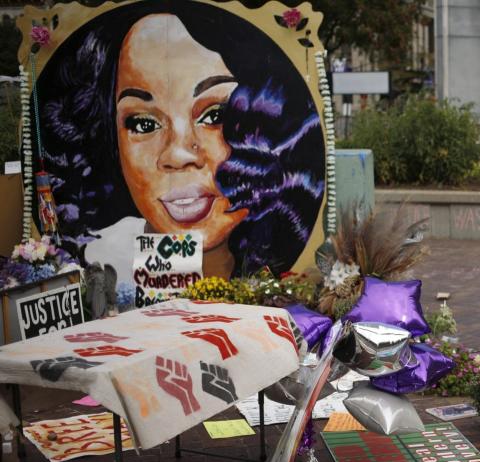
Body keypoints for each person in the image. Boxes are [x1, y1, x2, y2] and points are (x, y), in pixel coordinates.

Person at [31, 1, 326, 285]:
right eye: (144, 124)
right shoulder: (97, 262)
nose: (179, 153)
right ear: (111, 140)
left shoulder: (289, 285)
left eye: (215, 115)